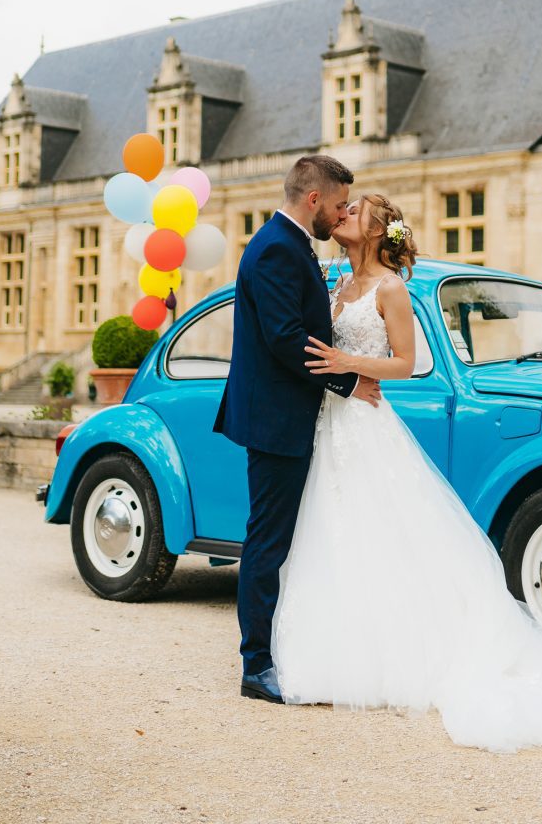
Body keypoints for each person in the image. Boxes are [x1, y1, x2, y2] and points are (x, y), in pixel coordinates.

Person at [271, 194, 542, 755]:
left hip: (365, 411)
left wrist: (349, 364)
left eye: (355, 211)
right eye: (343, 208)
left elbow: (404, 363)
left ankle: (390, 653)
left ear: (381, 230)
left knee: (379, 532)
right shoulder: (332, 281)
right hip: (333, 418)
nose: (343, 215)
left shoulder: (393, 288)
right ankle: (333, 652)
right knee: (335, 534)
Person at [213, 155, 381, 704]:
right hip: (276, 419)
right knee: (268, 541)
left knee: (291, 538)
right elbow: (288, 339)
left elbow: (305, 324)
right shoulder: (275, 250)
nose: (340, 217)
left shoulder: (292, 245)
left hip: (293, 415)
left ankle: (285, 649)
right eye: (336, 206)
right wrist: (349, 384)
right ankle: (255, 666)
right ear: (313, 200)